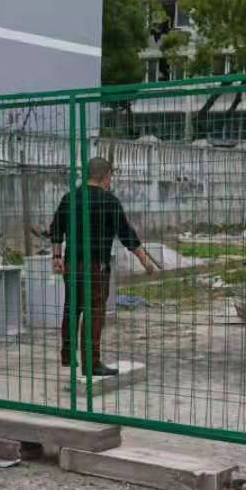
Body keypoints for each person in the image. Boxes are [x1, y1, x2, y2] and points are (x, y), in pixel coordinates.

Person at [49, 157, 160, 376]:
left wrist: (57, 256)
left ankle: (68, 355)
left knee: (72, 307)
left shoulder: (70, 198)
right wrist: (145, 261)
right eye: (111, 177)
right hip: (95, 267)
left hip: (71, 264)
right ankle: (92, 363)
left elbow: (56, 228)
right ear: (106, 175)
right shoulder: (109, 201)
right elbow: (126, 234)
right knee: (94, 312)